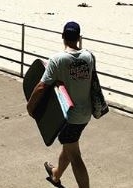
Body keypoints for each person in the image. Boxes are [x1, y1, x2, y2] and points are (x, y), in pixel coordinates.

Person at [27, 22, 94, 188]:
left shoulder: (57, 60)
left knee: (75, 155)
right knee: (70, 146)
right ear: (79, 37)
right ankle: (56, 175)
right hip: (86, 113)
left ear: (63, 36)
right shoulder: (89, 57)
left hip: (68, 117)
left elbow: (42, 86)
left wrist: (31, 106)